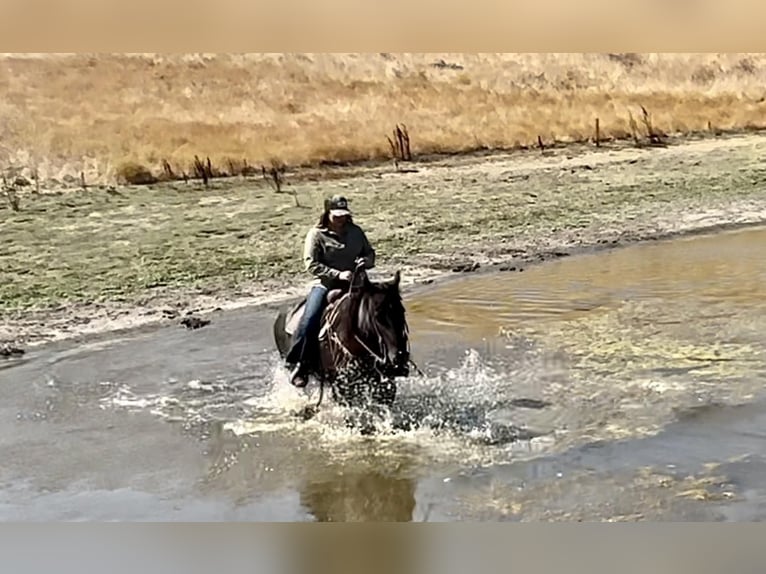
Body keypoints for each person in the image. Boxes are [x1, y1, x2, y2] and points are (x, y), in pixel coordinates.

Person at [284, 194, 376, 388]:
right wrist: (337, 274)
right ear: (327, 213)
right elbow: (311, 264)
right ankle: (301, 364)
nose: (341, 219)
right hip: (326, 285)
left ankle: (393, 357)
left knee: (385, 312)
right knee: (310, 319)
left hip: (357, 284)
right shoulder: (316, 234)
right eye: (337, 215)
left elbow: (369, 253)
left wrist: (365, 262)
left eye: (344, 214)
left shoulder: (356, 232)